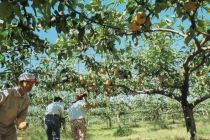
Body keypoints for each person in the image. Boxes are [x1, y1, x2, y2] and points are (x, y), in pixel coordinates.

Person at [0, 72, 38, 140]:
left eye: (32, 83)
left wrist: (21, 124)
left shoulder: (26, 100)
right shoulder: (8, 93)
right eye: (28, 82)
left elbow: (21, 118)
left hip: (9, 128)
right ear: (20, 83)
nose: (31, 85)